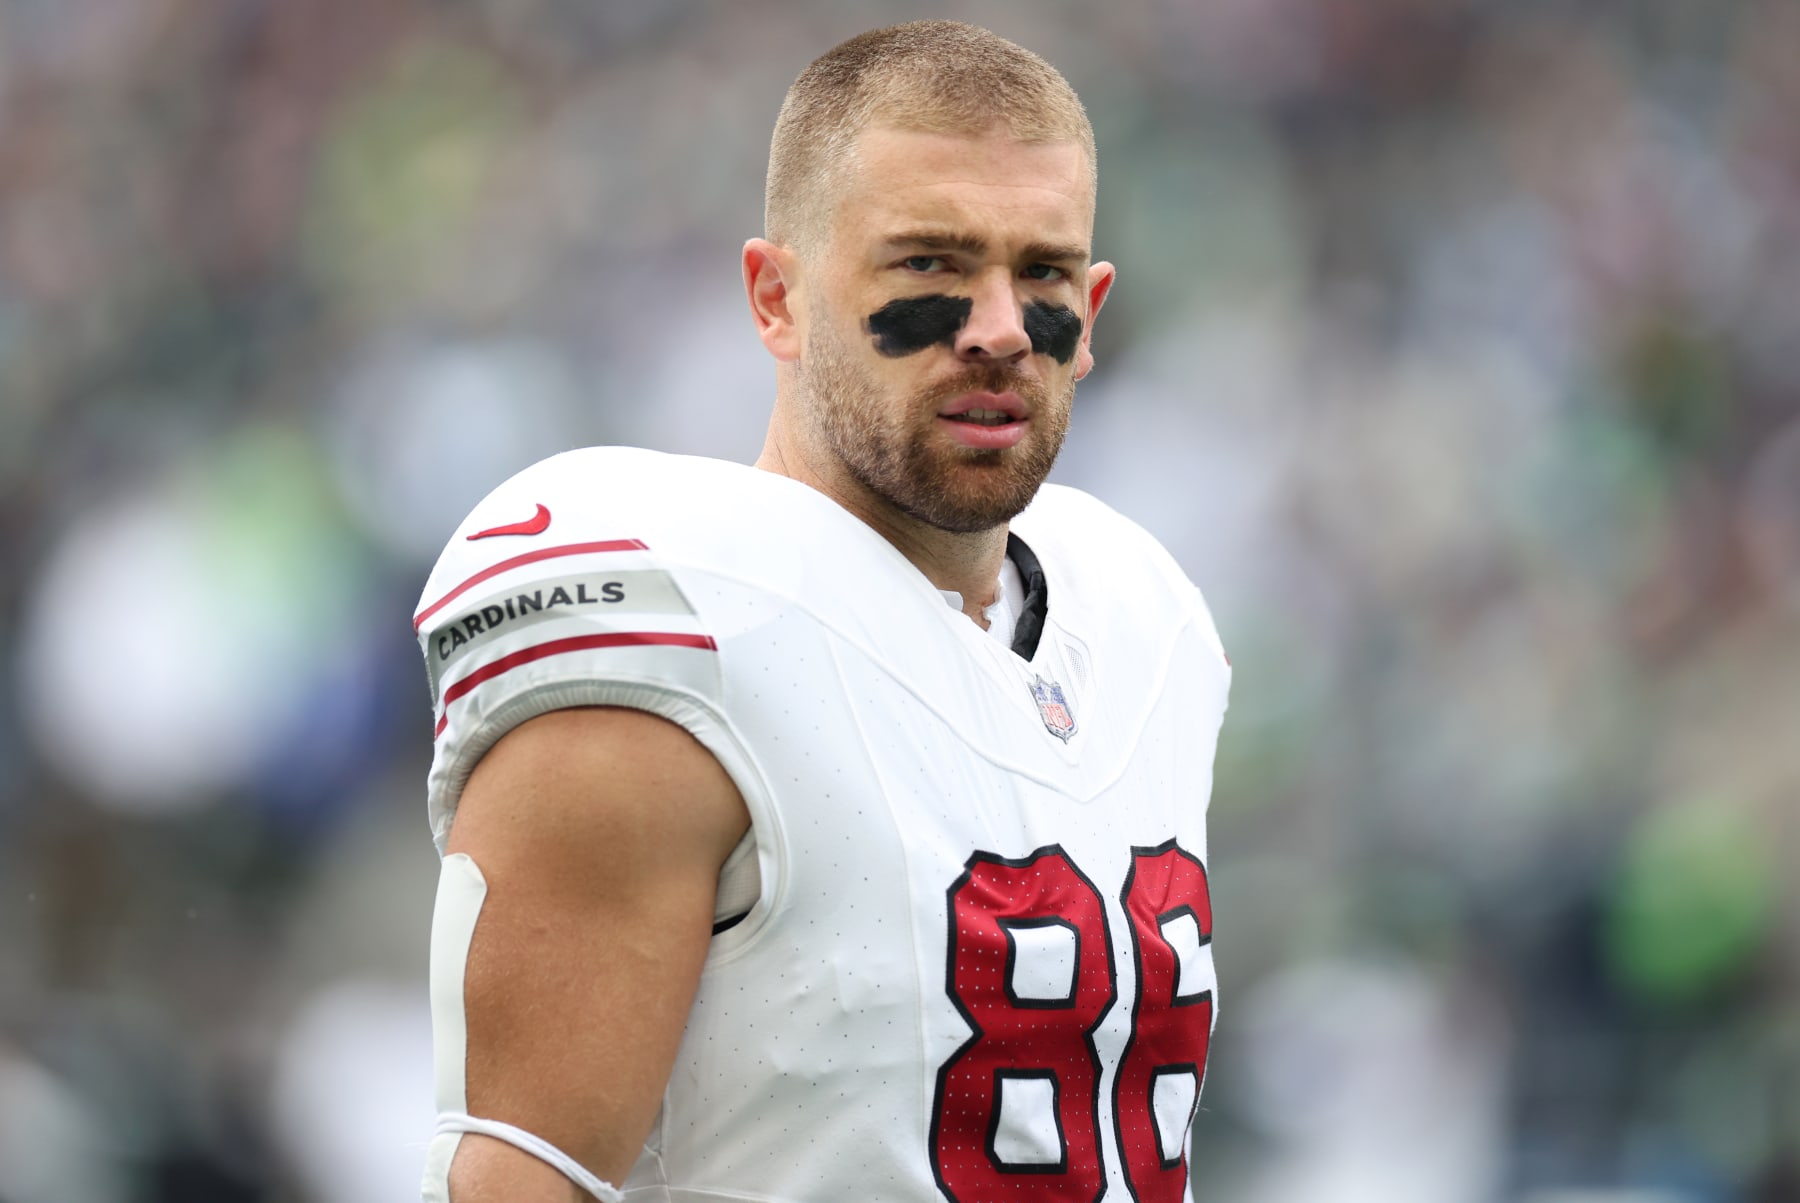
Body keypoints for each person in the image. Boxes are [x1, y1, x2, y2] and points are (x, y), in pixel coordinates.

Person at [414, 20, 1230, 1203]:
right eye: (929, 267)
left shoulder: (1148, 623)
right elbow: (521, 1178)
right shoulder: (679, 625)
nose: (1000, 326)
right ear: (776, 298)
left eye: (1041, 273)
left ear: (1092, 309)